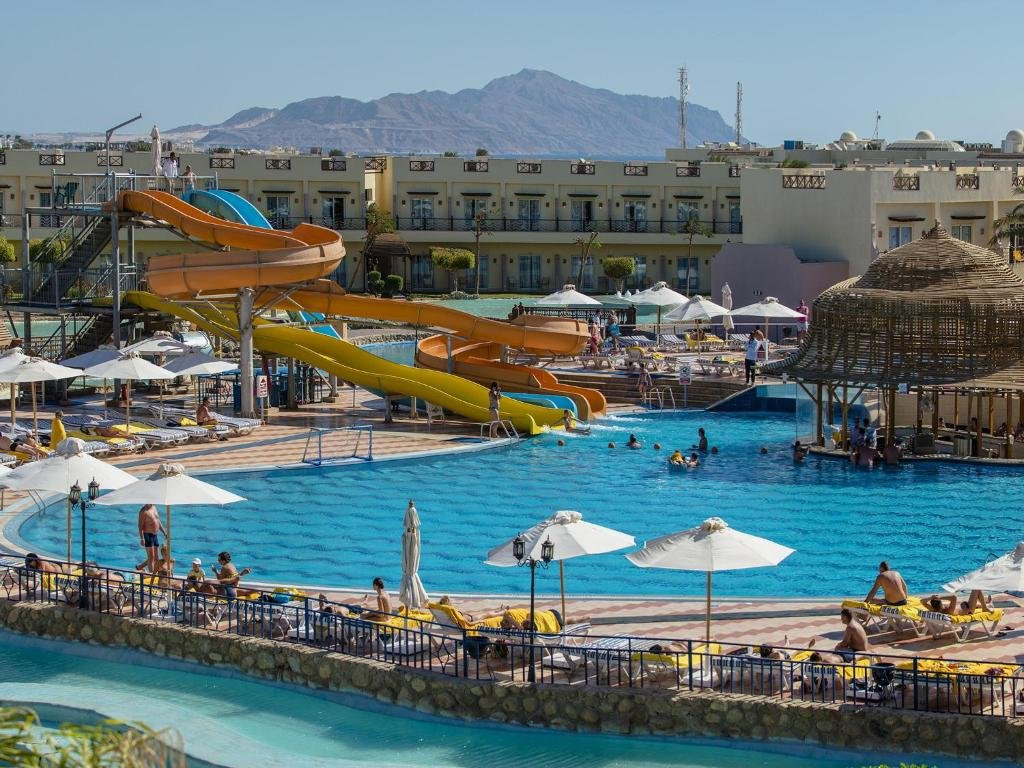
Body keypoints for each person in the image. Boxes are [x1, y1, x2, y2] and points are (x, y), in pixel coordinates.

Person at [136, 503, 166, 574]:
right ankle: (151, 573)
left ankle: (140, 567)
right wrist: (142, 539)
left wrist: (164, 532)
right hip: (148, 535)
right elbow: (140, 526)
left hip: (155, 535)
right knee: (151, 557)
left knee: (156, 557)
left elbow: (158, 521)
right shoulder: (143, 511)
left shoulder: (154, 507)